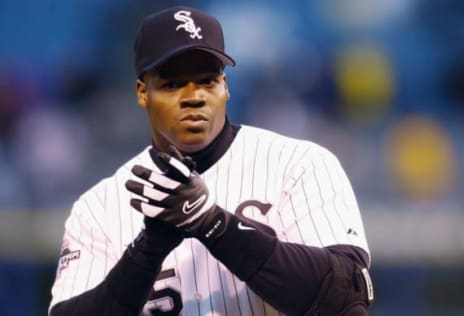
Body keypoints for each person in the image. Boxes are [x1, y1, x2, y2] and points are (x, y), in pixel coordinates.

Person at [49, 5, 374, 316]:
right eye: (173, 84)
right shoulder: (99, 208)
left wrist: (215, 224)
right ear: (142, 92)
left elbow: (346, 300)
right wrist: (145, 254)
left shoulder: (299, 165)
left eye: (207, 80)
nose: (194, 96)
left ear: (225, 87)